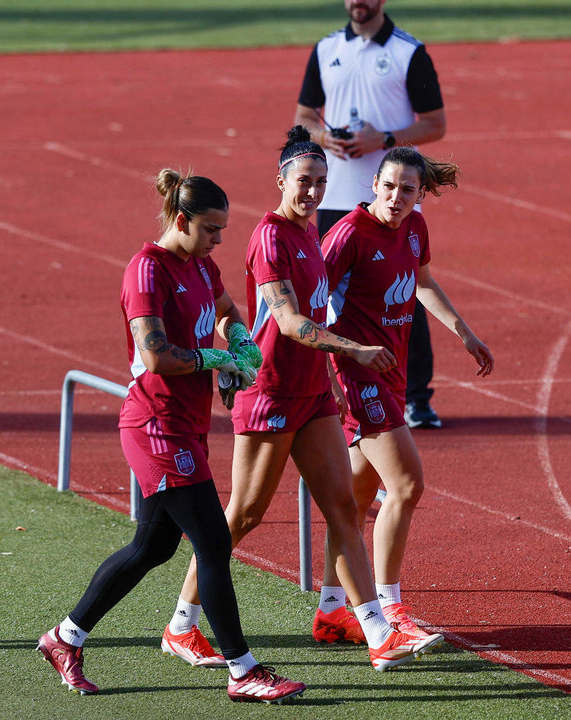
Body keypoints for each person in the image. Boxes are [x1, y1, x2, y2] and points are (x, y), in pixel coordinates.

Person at [162, 127, 439, 673]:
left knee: (342, 507)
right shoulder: (270, 238)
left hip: (312, 393)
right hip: (272, 394)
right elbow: (289, 322)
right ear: (281, 180)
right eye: (303, 181)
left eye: (320, 182)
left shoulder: (311, 234)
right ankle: (181, 625)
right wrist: (353, 350)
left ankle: (378, 630)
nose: (312, 191)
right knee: (243, 515)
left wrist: (333, 377)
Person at [37, 169, 305, 703]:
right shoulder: (147, 271)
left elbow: (227, 311)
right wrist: (215, 358)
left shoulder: (200, 266)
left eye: (223, 230)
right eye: (210, 228)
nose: (219, 240)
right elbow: (157, 355)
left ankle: (64, 638)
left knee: (152, 547)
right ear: (180, 219)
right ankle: (243, 670)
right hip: (155, 426)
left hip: (185, 424)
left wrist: (244, 343)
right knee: (212, 541)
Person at [320, 147, 494, 643]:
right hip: (359, 375)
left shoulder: (414, 228)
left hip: (391, 375)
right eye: (390, 186)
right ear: (373, 184)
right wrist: (332, 372)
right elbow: (310, 308)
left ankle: (333, 608)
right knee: (406, 486)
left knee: (353, 497)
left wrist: (465, 332)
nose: (397, 198)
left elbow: (421, 281)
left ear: (421, 195)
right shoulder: (348, 236)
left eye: (409, 190)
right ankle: (388, 608)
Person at [295, 0, 447, 429]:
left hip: (394, 195)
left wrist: (384, 138)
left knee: (404, 295)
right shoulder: (325, 50)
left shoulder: (408, 52)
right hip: (335, 195)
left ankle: (416, 397)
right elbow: (303, 118)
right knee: (326, 297)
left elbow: (435, 123)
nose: (358, 2)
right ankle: (329, 386)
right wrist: (327, 137)